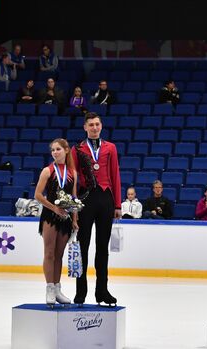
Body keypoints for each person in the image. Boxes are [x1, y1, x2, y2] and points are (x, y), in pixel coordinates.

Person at [71, 112, 122, 306]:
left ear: (101, 126)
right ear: (85, 127)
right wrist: (74, 207)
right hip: (85, 199)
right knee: (82, 246)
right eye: (90, 125)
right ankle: (80, 291)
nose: (94, 127)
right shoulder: (77, 149)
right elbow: (73, 179)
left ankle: (102, 291)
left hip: (106, 198)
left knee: (102, 248)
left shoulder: (111, 147)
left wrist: (117, 204)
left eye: (97, 124)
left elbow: (115, 175)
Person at [34, 138, 78, 307]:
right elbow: (37, 195)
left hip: (65, 218)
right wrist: (54, 208)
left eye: (58, 149)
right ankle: (49, 288)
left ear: (66, 150)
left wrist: (74, 219)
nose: (55, 152)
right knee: (49, 254)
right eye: (53, 150)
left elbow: (73, 198)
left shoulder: (72, 173)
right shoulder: (47, 171)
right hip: (50, 216)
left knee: (59, 255)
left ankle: (58, 289)